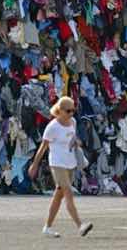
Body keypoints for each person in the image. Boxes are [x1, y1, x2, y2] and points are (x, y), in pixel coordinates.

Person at [29, 96, 93, 238]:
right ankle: (80, 225)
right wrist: (34, 164)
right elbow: (43, 147)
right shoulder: (52, 127)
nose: (71, 114)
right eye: (68, 111)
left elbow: (72, 139)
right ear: (60, 111)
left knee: (58, 196)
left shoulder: (73, 122)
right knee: (68, 192)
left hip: (70, 163)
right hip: (57, 163)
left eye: (73, 111)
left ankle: (47, 227)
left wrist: (76, 142)